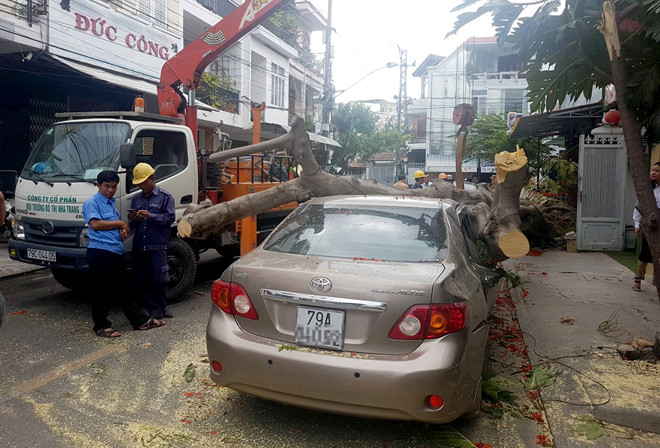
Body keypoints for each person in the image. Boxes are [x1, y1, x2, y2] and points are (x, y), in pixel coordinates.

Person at [82, 171, 164, 337]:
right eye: (106, 186)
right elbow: (96, 224)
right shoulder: (92, 203)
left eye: (113, 186)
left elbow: (109, 227)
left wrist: (122, 231)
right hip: (100, 251)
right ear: (98, 186)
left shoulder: (110, 203)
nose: (111, 190)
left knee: (124, 288)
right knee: (101, 290)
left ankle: (139, 321)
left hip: (114, 250)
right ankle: (101, 326)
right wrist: (120, 222)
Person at [130, 163, 176, 319]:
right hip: (140, 245)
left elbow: (170, 219)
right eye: (139, 184)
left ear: (152, 179)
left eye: (144, 183)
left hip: (157, 244)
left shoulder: (165, 197)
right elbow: (133, 224)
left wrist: (152, 216)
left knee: (160, 278)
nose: (142, 186)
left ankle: (162, 308)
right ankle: (150, 308)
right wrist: (134, 219)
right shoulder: (136, 199)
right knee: (142, 278)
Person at [633, 161, 660, 291]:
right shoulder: (648, 190)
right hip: (650, 227)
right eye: (652, 170)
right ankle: (637, 280)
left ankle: (656, 279)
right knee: (645, 253)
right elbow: (639, 208)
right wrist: (637, 225)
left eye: (657, 170)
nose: (653, 172)